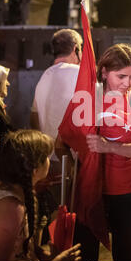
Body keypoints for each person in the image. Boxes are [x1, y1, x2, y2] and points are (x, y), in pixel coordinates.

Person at [79, 43, 131, 261]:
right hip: (93, 191)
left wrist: (108, 147)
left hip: (130, 191)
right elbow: (63, 142)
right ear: (104, 72)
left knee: (126, 256)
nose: (127, 83)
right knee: (87, 256)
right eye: (121, 76)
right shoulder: (88, 98)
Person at [0, 129, 82, 261]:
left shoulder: (4, 188)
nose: (49, 161)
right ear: (35, 169)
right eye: (46, 157)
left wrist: (43, 255)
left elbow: (19, 249)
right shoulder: (11, 208)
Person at [30, 29, 83, 174]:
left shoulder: (45, 76)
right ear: (75, 49)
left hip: (48, 161)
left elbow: (34, 118)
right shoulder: (80, 74)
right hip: (74, 162)